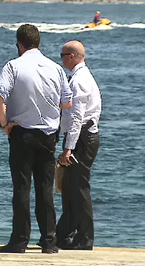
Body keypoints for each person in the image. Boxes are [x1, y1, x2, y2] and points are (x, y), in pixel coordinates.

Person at [0, 24, 73, 254]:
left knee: (22, 189)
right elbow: (67, 102)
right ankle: (49, 241)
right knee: (45, 190)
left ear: (19, 44)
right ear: (38, 43)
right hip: (48, 136)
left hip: (22, 134)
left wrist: (4, 123)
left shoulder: (13, 66)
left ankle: (19, 241)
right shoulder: (55, 68)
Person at [56, 40, 101, 251]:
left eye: (62, 55)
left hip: (82, 138)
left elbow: (77, 118)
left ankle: (84, 238)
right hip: (80, 138)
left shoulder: (79, 81)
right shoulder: (78, 77)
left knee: (79, 188)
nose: (61, 59)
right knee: (69, 188)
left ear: (71, 56)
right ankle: (64, 234)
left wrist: (68, 148)